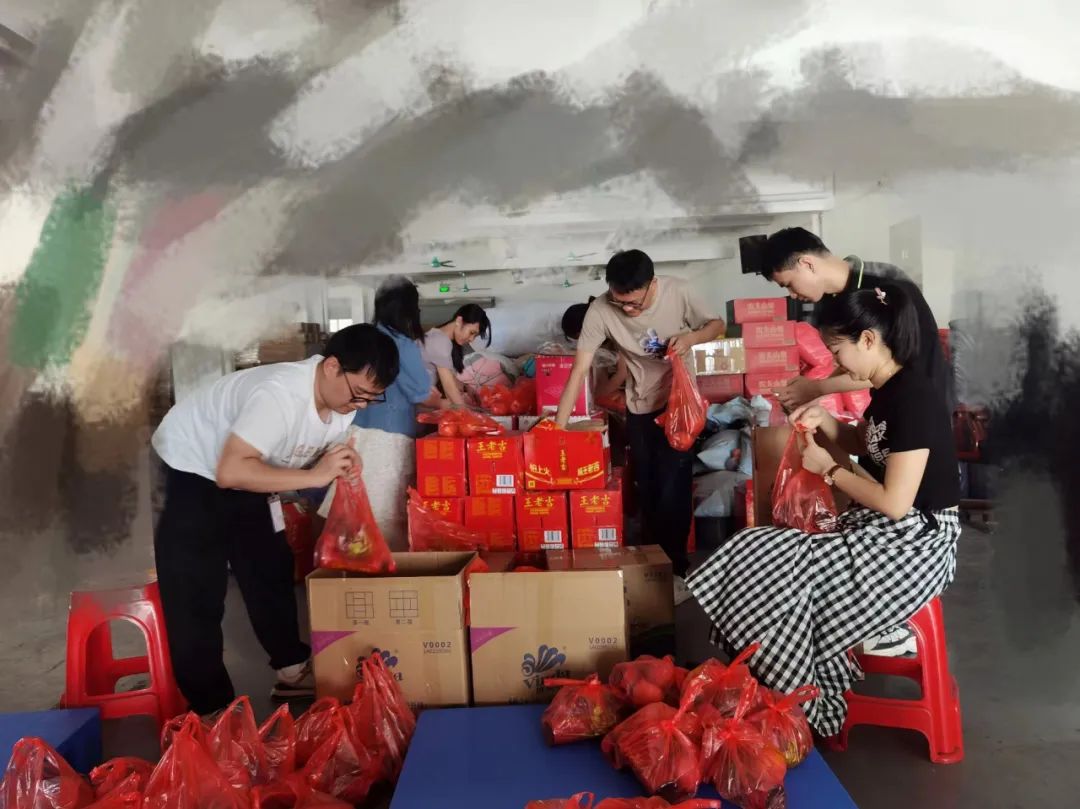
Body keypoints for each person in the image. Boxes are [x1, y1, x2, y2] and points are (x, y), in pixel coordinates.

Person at [686, 283, 961, 737]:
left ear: (868, 340)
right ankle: (777, 679)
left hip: (917, 544)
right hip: (888, 529)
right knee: (757, 548)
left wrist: (829, 470)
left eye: (838, 351)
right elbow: (868, 446)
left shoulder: (914, 399)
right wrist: (827, 421)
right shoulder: (888, 391)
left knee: (779, 565)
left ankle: (796, 692)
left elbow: (895, 503)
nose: (836, 365)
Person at [151, 324, 400, 717]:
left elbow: (314, 448)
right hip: (191, 466)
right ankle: (211, 705)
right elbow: (231, 472)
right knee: (197, 588)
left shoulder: (341, 404)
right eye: (358, 394)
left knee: (269, 564)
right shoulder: (279, 396)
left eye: (372, 398)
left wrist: (340, 462)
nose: (362, 405)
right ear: (332, 367)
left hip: (249, 467)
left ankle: (291, 667)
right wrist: (314, 476)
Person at [555, 250, 725, 598]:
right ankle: (651, 567)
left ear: (652, 285)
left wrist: (690, 339)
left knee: (673, 486)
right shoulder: (601, 310)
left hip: (678, 404)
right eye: (620, 303)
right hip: (640, 404)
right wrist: (556, 430)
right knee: (646, 486)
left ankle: (676, 569)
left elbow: (717, 325)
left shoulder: (679, 291)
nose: (627, 310)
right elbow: (579, 369)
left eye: (634, 303)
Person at [758, 227, 952, 416]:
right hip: (886, 403)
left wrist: (817, 389)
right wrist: (813, 390)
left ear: (807, 264)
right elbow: (852, 360)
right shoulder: (832, 299)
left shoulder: (883, 286)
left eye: (789, 284)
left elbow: (885, 364)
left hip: (922, 405)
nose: (792, 295)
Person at [317, 278, 439, 550]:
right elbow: (420, 391)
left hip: (356, 432)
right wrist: (449, 405)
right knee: (385, 513)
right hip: (389, 438)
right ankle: (381, 567)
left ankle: (346, 561)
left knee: (353, 504)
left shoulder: (370, 338)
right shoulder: (401, 344)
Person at [557, 299, 627, 403]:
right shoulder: (601, 341)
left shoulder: (618, 331)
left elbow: (622, 373)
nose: (583, 341)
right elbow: (599, 366)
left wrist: (594, 397)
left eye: (581, 337)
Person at [421, 303, 492, 406]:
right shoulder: (440, 341)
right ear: (459, 321)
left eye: (475, 336)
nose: (471, 339)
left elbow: (449, 377)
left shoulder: (437, 335)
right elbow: (449, 387)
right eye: (472, 332)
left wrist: (465, 387)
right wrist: (466, 411)